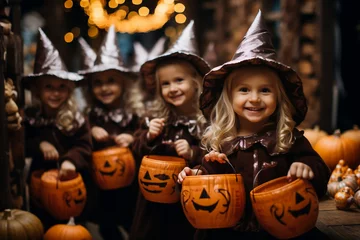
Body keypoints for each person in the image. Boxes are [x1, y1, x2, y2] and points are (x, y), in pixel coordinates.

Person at [177, 10, 331, 239]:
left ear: (279, 98)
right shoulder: (220, 142)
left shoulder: (289, 139)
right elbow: (208, 185)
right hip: (229, 231)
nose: (255, 98)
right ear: (229, 98)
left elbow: (321, 176)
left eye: (265, 90)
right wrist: (197, 172)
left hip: (279, 228)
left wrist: (307, 168)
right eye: (244, 90)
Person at [129, 20, 210, 240]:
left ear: (195, 82)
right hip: (155, 203)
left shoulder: (209, 121)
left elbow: (217, 156)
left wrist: (193, 152)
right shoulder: (155, 117)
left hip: (190, 200)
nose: (173, 88)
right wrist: (148, 136)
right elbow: (135, 149)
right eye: (165, 84)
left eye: (179, 81)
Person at [78, 25, 144, 240]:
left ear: (124, 84)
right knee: (107, 226)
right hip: (101, 186)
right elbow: (77, 138)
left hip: (129, 184)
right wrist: (90, 130)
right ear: (90, 88)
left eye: (111, 81)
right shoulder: (90, 116)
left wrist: (132, 138)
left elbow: (145, 136)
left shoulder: (134, 114)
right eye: (98, 83)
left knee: (131, 222)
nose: (104, 88)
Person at [23, 28, 92, 230]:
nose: (56, 93)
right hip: (40, 186)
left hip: (72, 184)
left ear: (69, 90)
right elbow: (21, 144)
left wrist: (71, 160)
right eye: (49, 87)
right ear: (37, 90)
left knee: (73, 229)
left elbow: (85, 145)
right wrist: (39, 144)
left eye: (62, 87)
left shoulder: (76, 119)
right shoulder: (31, 118)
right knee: (43, 226)